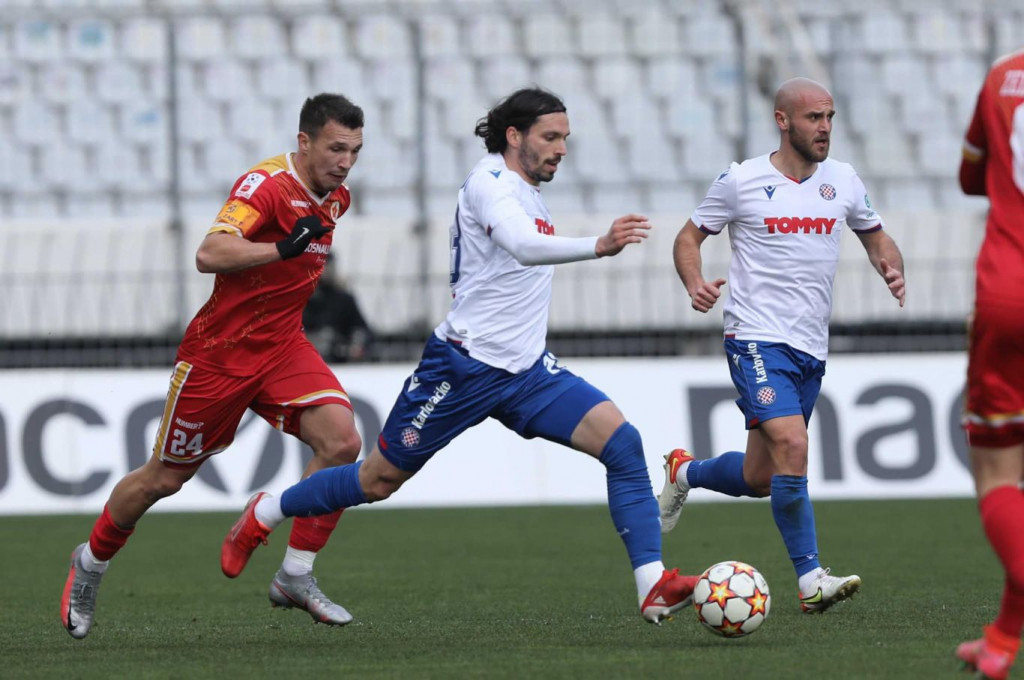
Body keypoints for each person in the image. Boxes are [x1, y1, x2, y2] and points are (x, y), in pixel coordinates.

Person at [221, 87, 701, 625]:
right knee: (376, 480)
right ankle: (267, 510)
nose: (562, 148)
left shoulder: (525, 189)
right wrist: (598, 244)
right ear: (514, 137)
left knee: (623, 443)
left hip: (526, 372)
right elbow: (521, 245)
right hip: (463, 368)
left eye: (565, 137)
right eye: (551, 137)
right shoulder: (490, 184)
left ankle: (651, 585)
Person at [61, 93, 367, 639]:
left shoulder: (336, 197)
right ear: (304, 142)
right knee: (163, 479)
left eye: (355, 150)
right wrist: (280, 249)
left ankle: (295, 574)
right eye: (336, 147)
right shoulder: (265, 187)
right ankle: (90, 562)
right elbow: (209, 253)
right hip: (219, 358)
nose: (345, 161)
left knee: (343, 443)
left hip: (282, 348)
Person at [659, 77, 906, 614]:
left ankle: (685, 471)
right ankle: (811, 578)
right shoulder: (741, 179)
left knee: (761, 477)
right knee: (793, 445)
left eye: (830, 118)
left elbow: (876, 234)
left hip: (809, 348)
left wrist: (890, 265)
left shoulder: (842, 180)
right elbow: (687, 237)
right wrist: (694, 280)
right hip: (754, 337)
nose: (825, 128)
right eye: (814, 118)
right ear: (783, 120)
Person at [954, 48, 1024, 680]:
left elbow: (971, 178)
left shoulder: (1005, 76)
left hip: (1012, 291)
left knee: (1000, 470)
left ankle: (1001, 643)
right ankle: (1003, 636)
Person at [303, 253, 374, 362]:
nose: (327, 270)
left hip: (339, 361)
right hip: (307, 358)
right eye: (323, 265)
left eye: (329, 265)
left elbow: (362, 330)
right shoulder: (302, 298)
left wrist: (357, 344)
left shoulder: (344, 299)